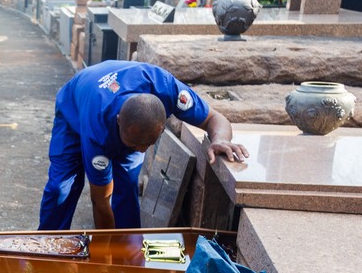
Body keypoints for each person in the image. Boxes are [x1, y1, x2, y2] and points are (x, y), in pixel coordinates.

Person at [38, 60, 249, 231]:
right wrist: (107, 252)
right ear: (119, 120)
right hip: (74, 108)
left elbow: (214, 118)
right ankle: (45, 246)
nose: (141, 150)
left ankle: (130, 248)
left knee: (127, 186)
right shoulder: (98, 130)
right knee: (62, 188)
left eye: (149, 143)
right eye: (135, 143)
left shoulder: (166, 88)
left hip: (119, 112)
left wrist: (220, 139)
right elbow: (100, 201)